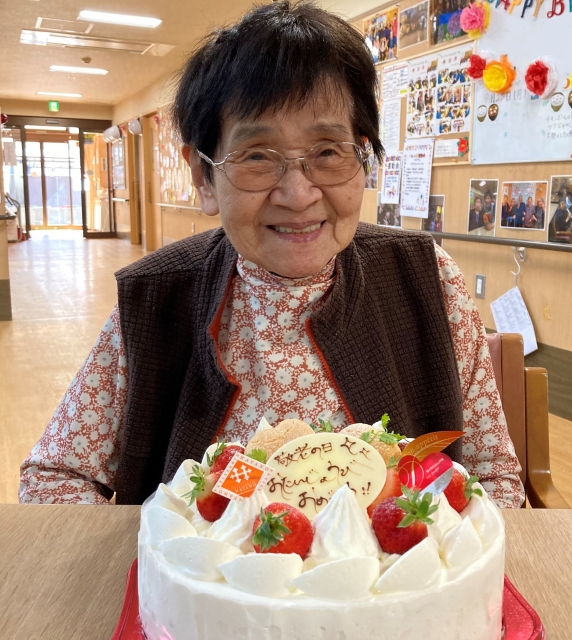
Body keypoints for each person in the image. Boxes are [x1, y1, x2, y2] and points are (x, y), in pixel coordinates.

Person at [19, 1, 523, 510]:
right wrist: (163, 550)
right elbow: (51, 479)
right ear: (203, 177)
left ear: (362, 156)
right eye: (257, 156)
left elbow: (495, 478)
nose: (298, 195)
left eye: (327, 151)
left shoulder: (427, 277)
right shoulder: (158, 296)